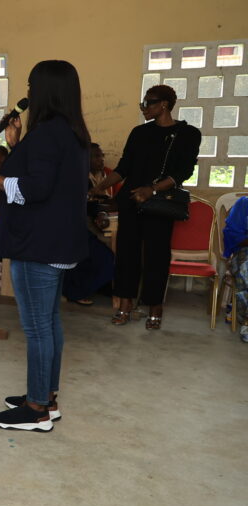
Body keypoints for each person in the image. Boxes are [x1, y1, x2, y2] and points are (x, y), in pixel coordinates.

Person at [0, 60, 91, 432]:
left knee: (38, 328)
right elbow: (43, 177)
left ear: (46, 91)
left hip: (38, 244)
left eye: (31, 86)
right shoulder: (70, 132)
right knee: (50, 322)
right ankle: (46, 397)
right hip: (57, 242)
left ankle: (36, 409)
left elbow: (34, 188)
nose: (28, 94)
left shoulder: (48, 134)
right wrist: (15, 145)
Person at [93, 84, 201, 329]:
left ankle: (155, 307)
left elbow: (183, 172)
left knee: (157, 256)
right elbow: (124, 168)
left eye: (148, 103)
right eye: (142, 103)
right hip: (131, 200)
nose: (143, 108)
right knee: (126, 255)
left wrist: (151, 189)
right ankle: (125, 304)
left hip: (161, 203)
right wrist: (99, 187)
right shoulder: (139, 133)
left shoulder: (188, 134)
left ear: (164, 105)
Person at [223, 196, 248, 341]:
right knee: (246, 269)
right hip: (244, 253)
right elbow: (232, 235)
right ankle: (246, 322)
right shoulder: (244, 204)